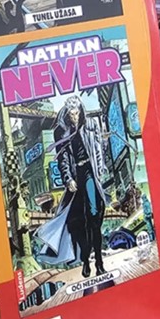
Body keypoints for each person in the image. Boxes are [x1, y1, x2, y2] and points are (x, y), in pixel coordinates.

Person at [35, 96, 108, 278]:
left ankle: (98, 262)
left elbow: (97, 149)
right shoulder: (61, 131)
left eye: (76, 113)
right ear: (67, 114)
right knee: (77, 223)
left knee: (93, 215)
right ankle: (85, 261)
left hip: (90, 173)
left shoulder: (90, 124)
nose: (74, 117)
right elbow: (63, 158)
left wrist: (100, 169)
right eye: (71, 114)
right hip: (76, 177)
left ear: (81, 111)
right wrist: (68, 179)